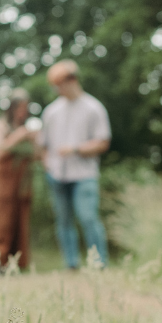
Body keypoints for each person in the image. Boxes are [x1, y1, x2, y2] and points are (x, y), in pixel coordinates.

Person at [38, 60, 111, 269]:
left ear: (72, 80)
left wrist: (76, 149)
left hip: (84, 174)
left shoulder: (93, 108)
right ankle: (71, 264)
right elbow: (44, 146)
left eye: (59, 84)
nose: (57, 89)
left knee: (88, 219)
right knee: (63, 222)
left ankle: (98, 263)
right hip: (57, 175)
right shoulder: (51, 112)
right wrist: (47, 165)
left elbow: (103, 142)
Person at [0, 88, 37, 271]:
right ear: (11, 108)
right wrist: (18, 137)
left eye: (26, 108)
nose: (23, 112)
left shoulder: (28, 130)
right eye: (20, 107)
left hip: (22, 182)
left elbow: (38, 155)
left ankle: (17, 264)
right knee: (0, 219)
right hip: (3, 180)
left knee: (20, 221)